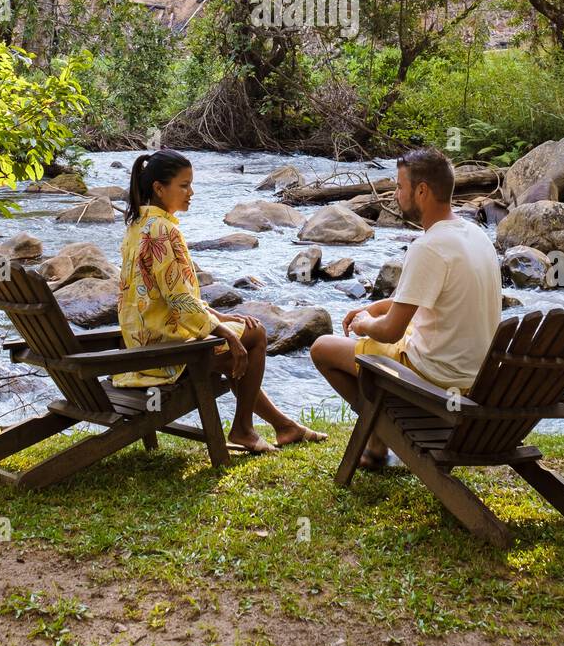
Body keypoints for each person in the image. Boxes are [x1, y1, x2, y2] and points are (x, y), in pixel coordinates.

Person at [116, 148, 326, 455]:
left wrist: (220, 319)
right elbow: (178, 299)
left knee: (238, 345)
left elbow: (172, 297)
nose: (191, 192)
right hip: (163, 355)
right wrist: (225, 331)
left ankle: (285, 427)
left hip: (144, 346)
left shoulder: (137, 226)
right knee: (254, 336)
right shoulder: (163, 230)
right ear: (159, 189)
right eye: (184, 185)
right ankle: (243, 430)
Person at [310, 147, 501, 468]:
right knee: (400, 334)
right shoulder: (476, 235)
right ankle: (375, 446)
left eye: (400, 186)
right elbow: (422, 302)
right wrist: (377, 307)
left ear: (422, 191)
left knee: (322, 348)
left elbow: (389, 330)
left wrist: (364, 323)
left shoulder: (428, 247)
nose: (395, 194)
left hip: (437, 377)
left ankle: (382, 429)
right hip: (476, 376)